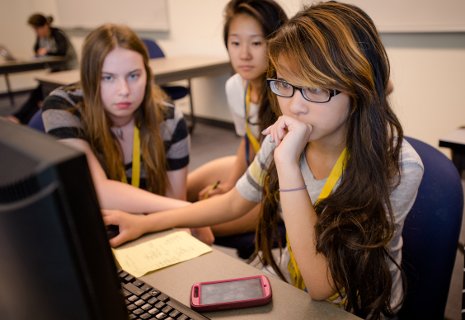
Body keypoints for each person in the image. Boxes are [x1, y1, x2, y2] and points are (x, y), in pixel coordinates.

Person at [103, 2, 424, 318]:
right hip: (289, 285)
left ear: (358, 88)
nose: (294, 107)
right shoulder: (291, 134)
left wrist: (286, 165)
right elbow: (234, 203)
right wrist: (145, 222)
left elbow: (323, 284)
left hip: (355, 307)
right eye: (284, 83)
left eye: (315, 88)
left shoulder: (396, 165)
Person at [41, 23, 212, 243]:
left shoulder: (169, 120)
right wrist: (190, 211)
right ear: (90, 78)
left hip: (149, 229)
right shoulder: (63, 106)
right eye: (108, 78)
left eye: (133, 76)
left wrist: (183, 215)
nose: (124, 91)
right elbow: (98, 190)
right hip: (90, 231)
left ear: (147, 75)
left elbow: (174, 214)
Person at [187, 0, 288, 238]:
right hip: (259, 169)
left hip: (283, 189)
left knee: (194, 225)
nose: (244, 54)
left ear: (277, 43)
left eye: (256, 43)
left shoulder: (288, 91)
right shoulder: (235, 87)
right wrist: (230, 184)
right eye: (235, 43)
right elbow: (249, 141)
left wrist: (234, 194)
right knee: (183, 187)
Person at [12, 13, 78, 124]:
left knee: (41, 94)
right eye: (34, 30)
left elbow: (62, 52)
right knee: (37, 92)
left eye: (37, 29)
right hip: (57, 70)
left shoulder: (58, 34)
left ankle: (21, 119)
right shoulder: (41, 37)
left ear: (45, 26)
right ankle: (19, 117)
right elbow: (36, 49)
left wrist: (46, 52)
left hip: (67, 69)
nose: (36, 32)